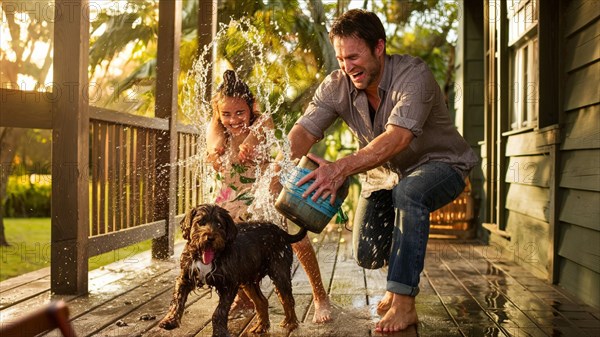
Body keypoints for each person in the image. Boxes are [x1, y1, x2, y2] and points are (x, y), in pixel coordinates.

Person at [286, 9, 478, 332]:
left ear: (379, 47)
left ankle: (404, 302)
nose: (347, 67)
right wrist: (274, 167)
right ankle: (395, 279)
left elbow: (397, 138)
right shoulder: (336, 86)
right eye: (341, 58)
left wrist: (340, 168)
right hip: (383, 177)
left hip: (443, 165)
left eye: (354, 56)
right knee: (366, 252)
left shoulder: (415, 76)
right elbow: (303, 132)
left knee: (410, 193)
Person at [206, 69, 333, 323]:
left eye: (240, 113)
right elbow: (214, 141)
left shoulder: (262, 121)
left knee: (295, 239)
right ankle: (245, 298)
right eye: (227, 114)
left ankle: (320, 296)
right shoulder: (218, 124)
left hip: (262, 192)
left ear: (252, 107)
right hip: (231, 197)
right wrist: (215, 151)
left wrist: (248, 144)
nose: (233, 120)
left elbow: (258, 134)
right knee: (230, 246)